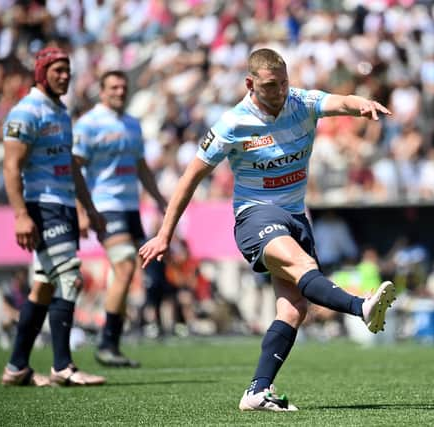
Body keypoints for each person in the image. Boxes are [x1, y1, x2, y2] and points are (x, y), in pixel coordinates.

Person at [139, 48, 396, 411]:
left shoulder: (301, 101)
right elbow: (188, 181)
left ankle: (257, 392)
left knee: (292, 309)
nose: (279, 92)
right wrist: (165, 234)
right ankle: (362, 306)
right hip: (256, 217)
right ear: (250, 83)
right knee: (303, 268)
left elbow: (341, 101)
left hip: (296, 217)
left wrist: (363, 104)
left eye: (284, 83)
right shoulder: (232, 124)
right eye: (271, 86)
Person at [1, 46, 106, 386]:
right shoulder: (26, 112)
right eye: (57, 70)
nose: (65, 75)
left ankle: (17, 367)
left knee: (44, 288)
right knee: (71, 277)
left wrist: (88, 208)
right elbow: (11, 166)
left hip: (62, 205)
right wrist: (20, 214)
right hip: (40, 205)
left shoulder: (60, 111)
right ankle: (63, 366)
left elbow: (72, 167)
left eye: (67, 69)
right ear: (41, 73)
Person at [72, 70, 167, 367]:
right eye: (113, 87)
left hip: (130, 209)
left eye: (123, 87)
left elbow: (141, 166)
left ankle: (111, 340)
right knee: (125, 267)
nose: (119, 91)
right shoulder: (89, 124)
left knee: (140, 273)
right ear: (101, 91)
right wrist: (82, 211)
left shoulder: (132, 124)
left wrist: (160, 199)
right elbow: (74, 169)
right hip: (103, 207)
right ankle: (106, 343)